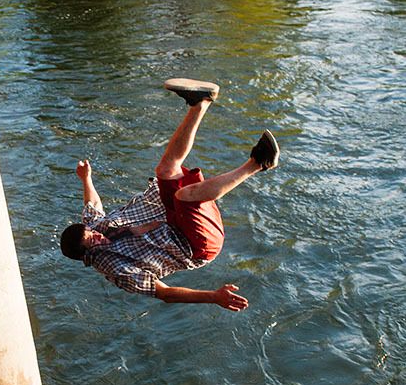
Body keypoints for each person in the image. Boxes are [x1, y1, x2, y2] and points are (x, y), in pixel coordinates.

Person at [59, 78, 280, 311]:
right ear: (88, 254)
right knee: (185, 195)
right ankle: (259, 163)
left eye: (91, 233)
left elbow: (92, 205)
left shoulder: (94, 228)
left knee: (165, 169)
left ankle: (201, 102)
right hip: (195, 244)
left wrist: (86, 178)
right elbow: (165, 293)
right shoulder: (117, 269)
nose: (97, 235)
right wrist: (214, 297)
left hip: (171, 217)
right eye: (92, 240)